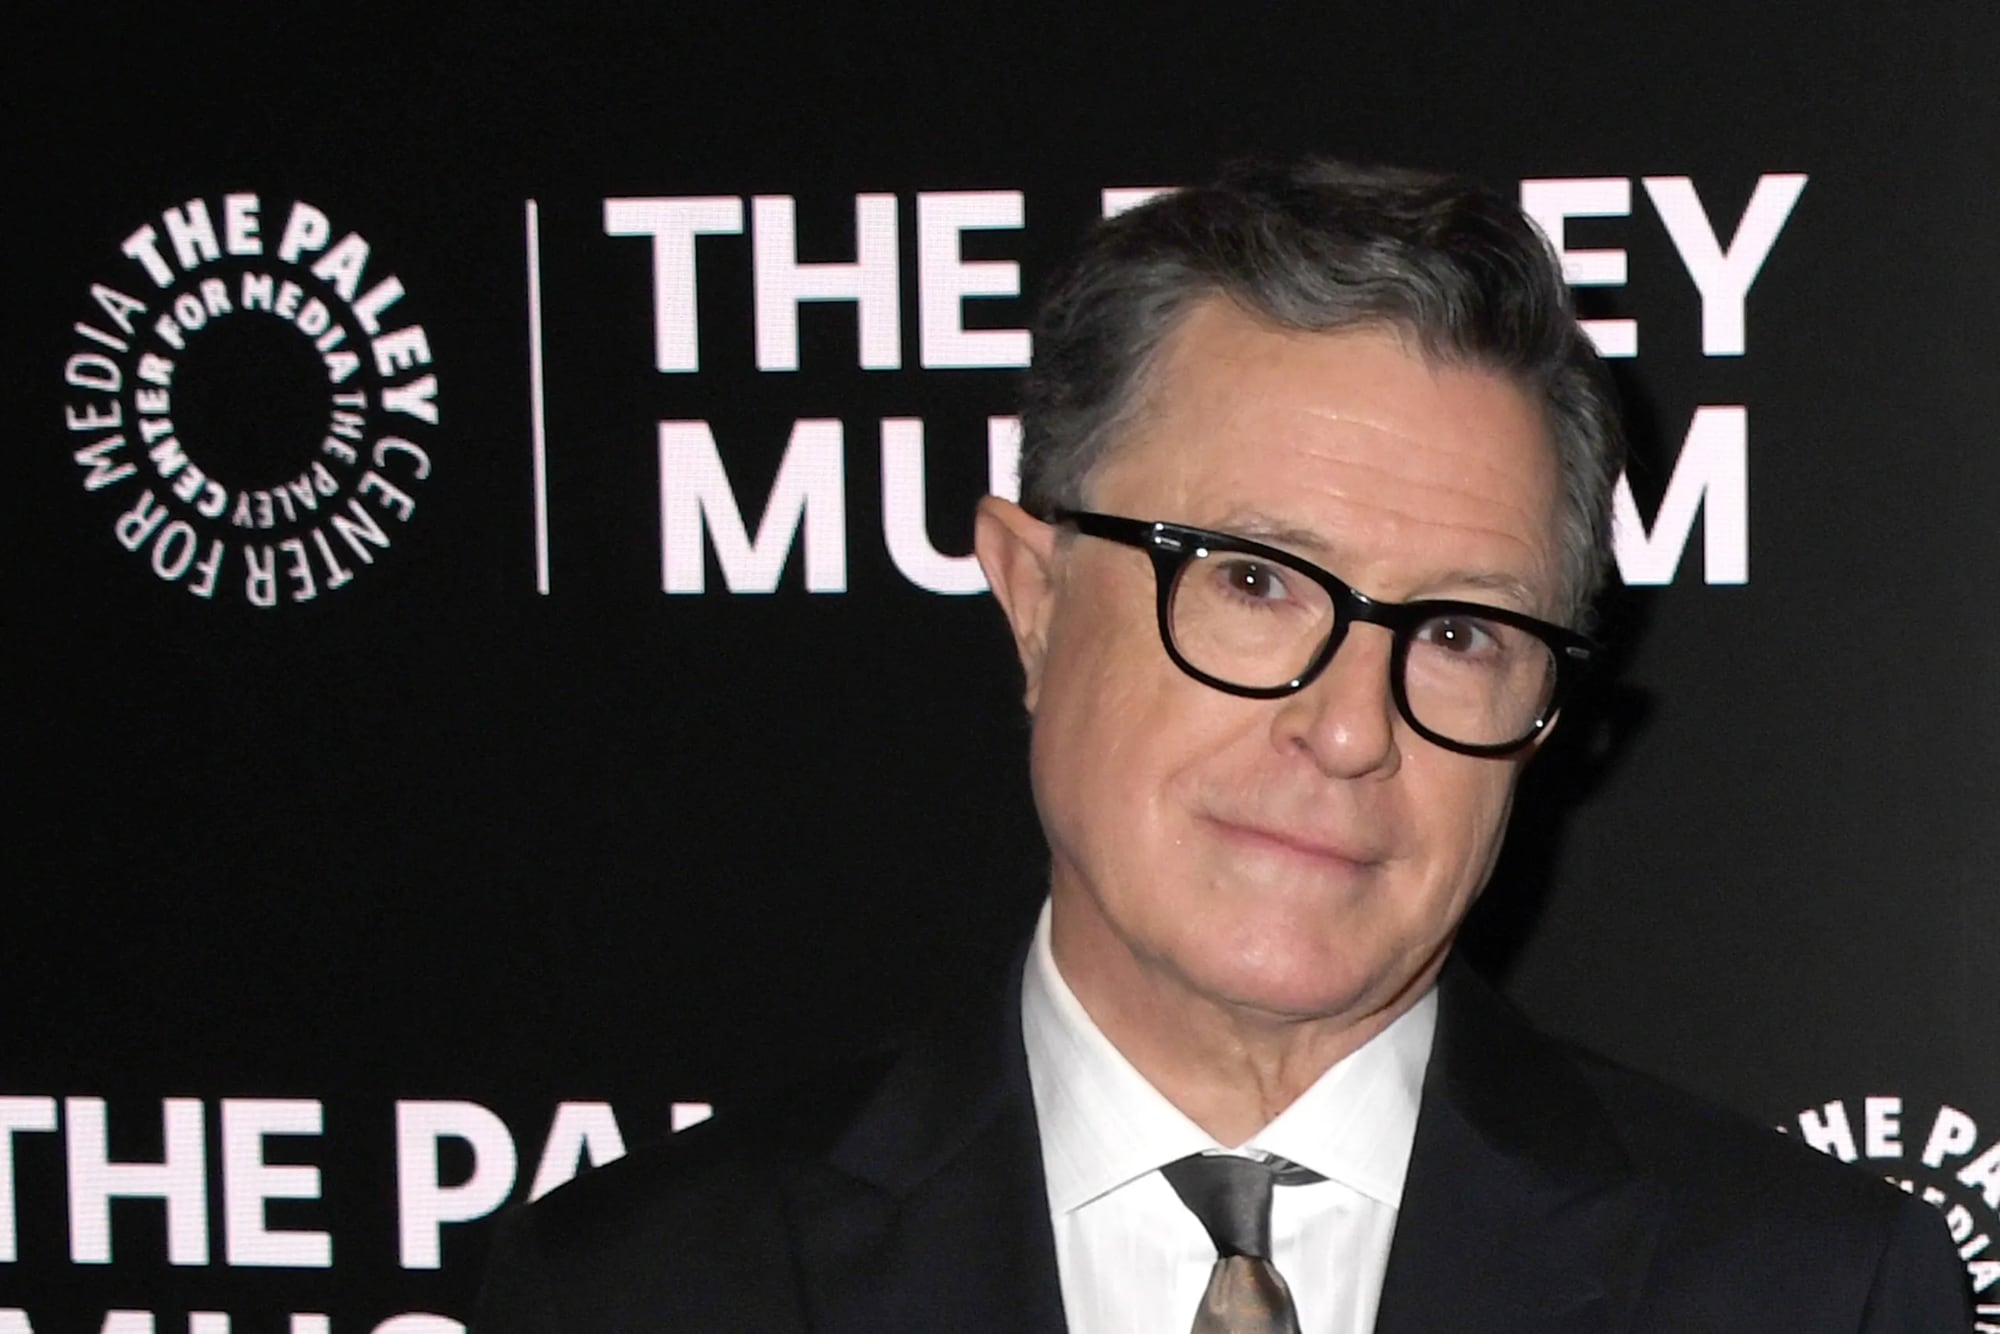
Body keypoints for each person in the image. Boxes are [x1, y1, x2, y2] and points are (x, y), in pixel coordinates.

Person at [472, 158, 1971, 1332]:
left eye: (1456, 632)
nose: (1346, 727)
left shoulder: (1809, 1293)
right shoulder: (639, 1290)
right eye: (1253, 582)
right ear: (1034, 594)